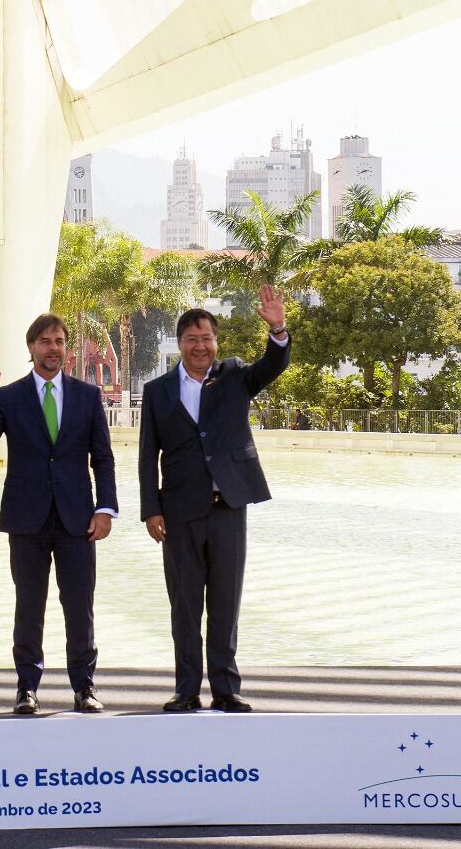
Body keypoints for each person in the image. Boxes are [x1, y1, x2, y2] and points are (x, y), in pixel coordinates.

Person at [138, 285, 289, 715]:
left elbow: (274, 364)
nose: (200, 346)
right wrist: (151, 508)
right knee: (185, 606)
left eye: (206, 338)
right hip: (179, 512)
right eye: (191, 339)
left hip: (229, 507)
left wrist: (278, 328)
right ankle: (187, 689)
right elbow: (148, 454)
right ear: (180, 344)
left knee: (225, 604)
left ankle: (225, 688)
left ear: (215, 342)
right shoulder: (158, 390)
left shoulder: (236, 375)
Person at [0, 314, 116, 715]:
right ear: (31, 347)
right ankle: (27, 687)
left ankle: (84, 686)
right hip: (27, 519)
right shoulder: (8, 396)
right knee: (28, 606)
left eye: (60, 341)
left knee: (79, 604)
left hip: (78, 519)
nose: (53, 348)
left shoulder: (87, 395)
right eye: (45, 341)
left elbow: (102, 458)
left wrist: (105, 508)